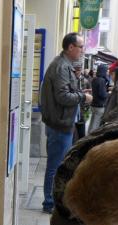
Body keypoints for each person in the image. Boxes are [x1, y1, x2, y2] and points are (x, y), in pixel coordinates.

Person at [40, 32, 92, 214]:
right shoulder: (61, 66)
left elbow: (65, 92)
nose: (82, 50)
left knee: (58, 164)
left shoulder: (64, 65)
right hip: (59, 125)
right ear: (71, 47)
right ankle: (49, 203)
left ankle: (53, 201)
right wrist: (83, 97)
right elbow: (63, 97)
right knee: (55, 166)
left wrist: (79, 91)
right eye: (81, 47)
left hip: (62, 123)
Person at [88, 64, 110, 132]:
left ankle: (89, 135)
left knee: (92, 123)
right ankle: (91, 137)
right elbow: (102, 94)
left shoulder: (95, 79)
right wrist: (109, 93)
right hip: (99, 106)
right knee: (95, 125)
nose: (107, 72)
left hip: (94, 104)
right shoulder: (101, 80)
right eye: (106, 71)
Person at [73, 60, 90, 141]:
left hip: (82, 110)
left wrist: (86, 107)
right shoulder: (69, 79)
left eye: (78, 69)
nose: (77, 72)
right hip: (72, 111)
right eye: (75, 70)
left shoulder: (85, 81)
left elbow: (89, 95)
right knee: (73, 136)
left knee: (81, 135)